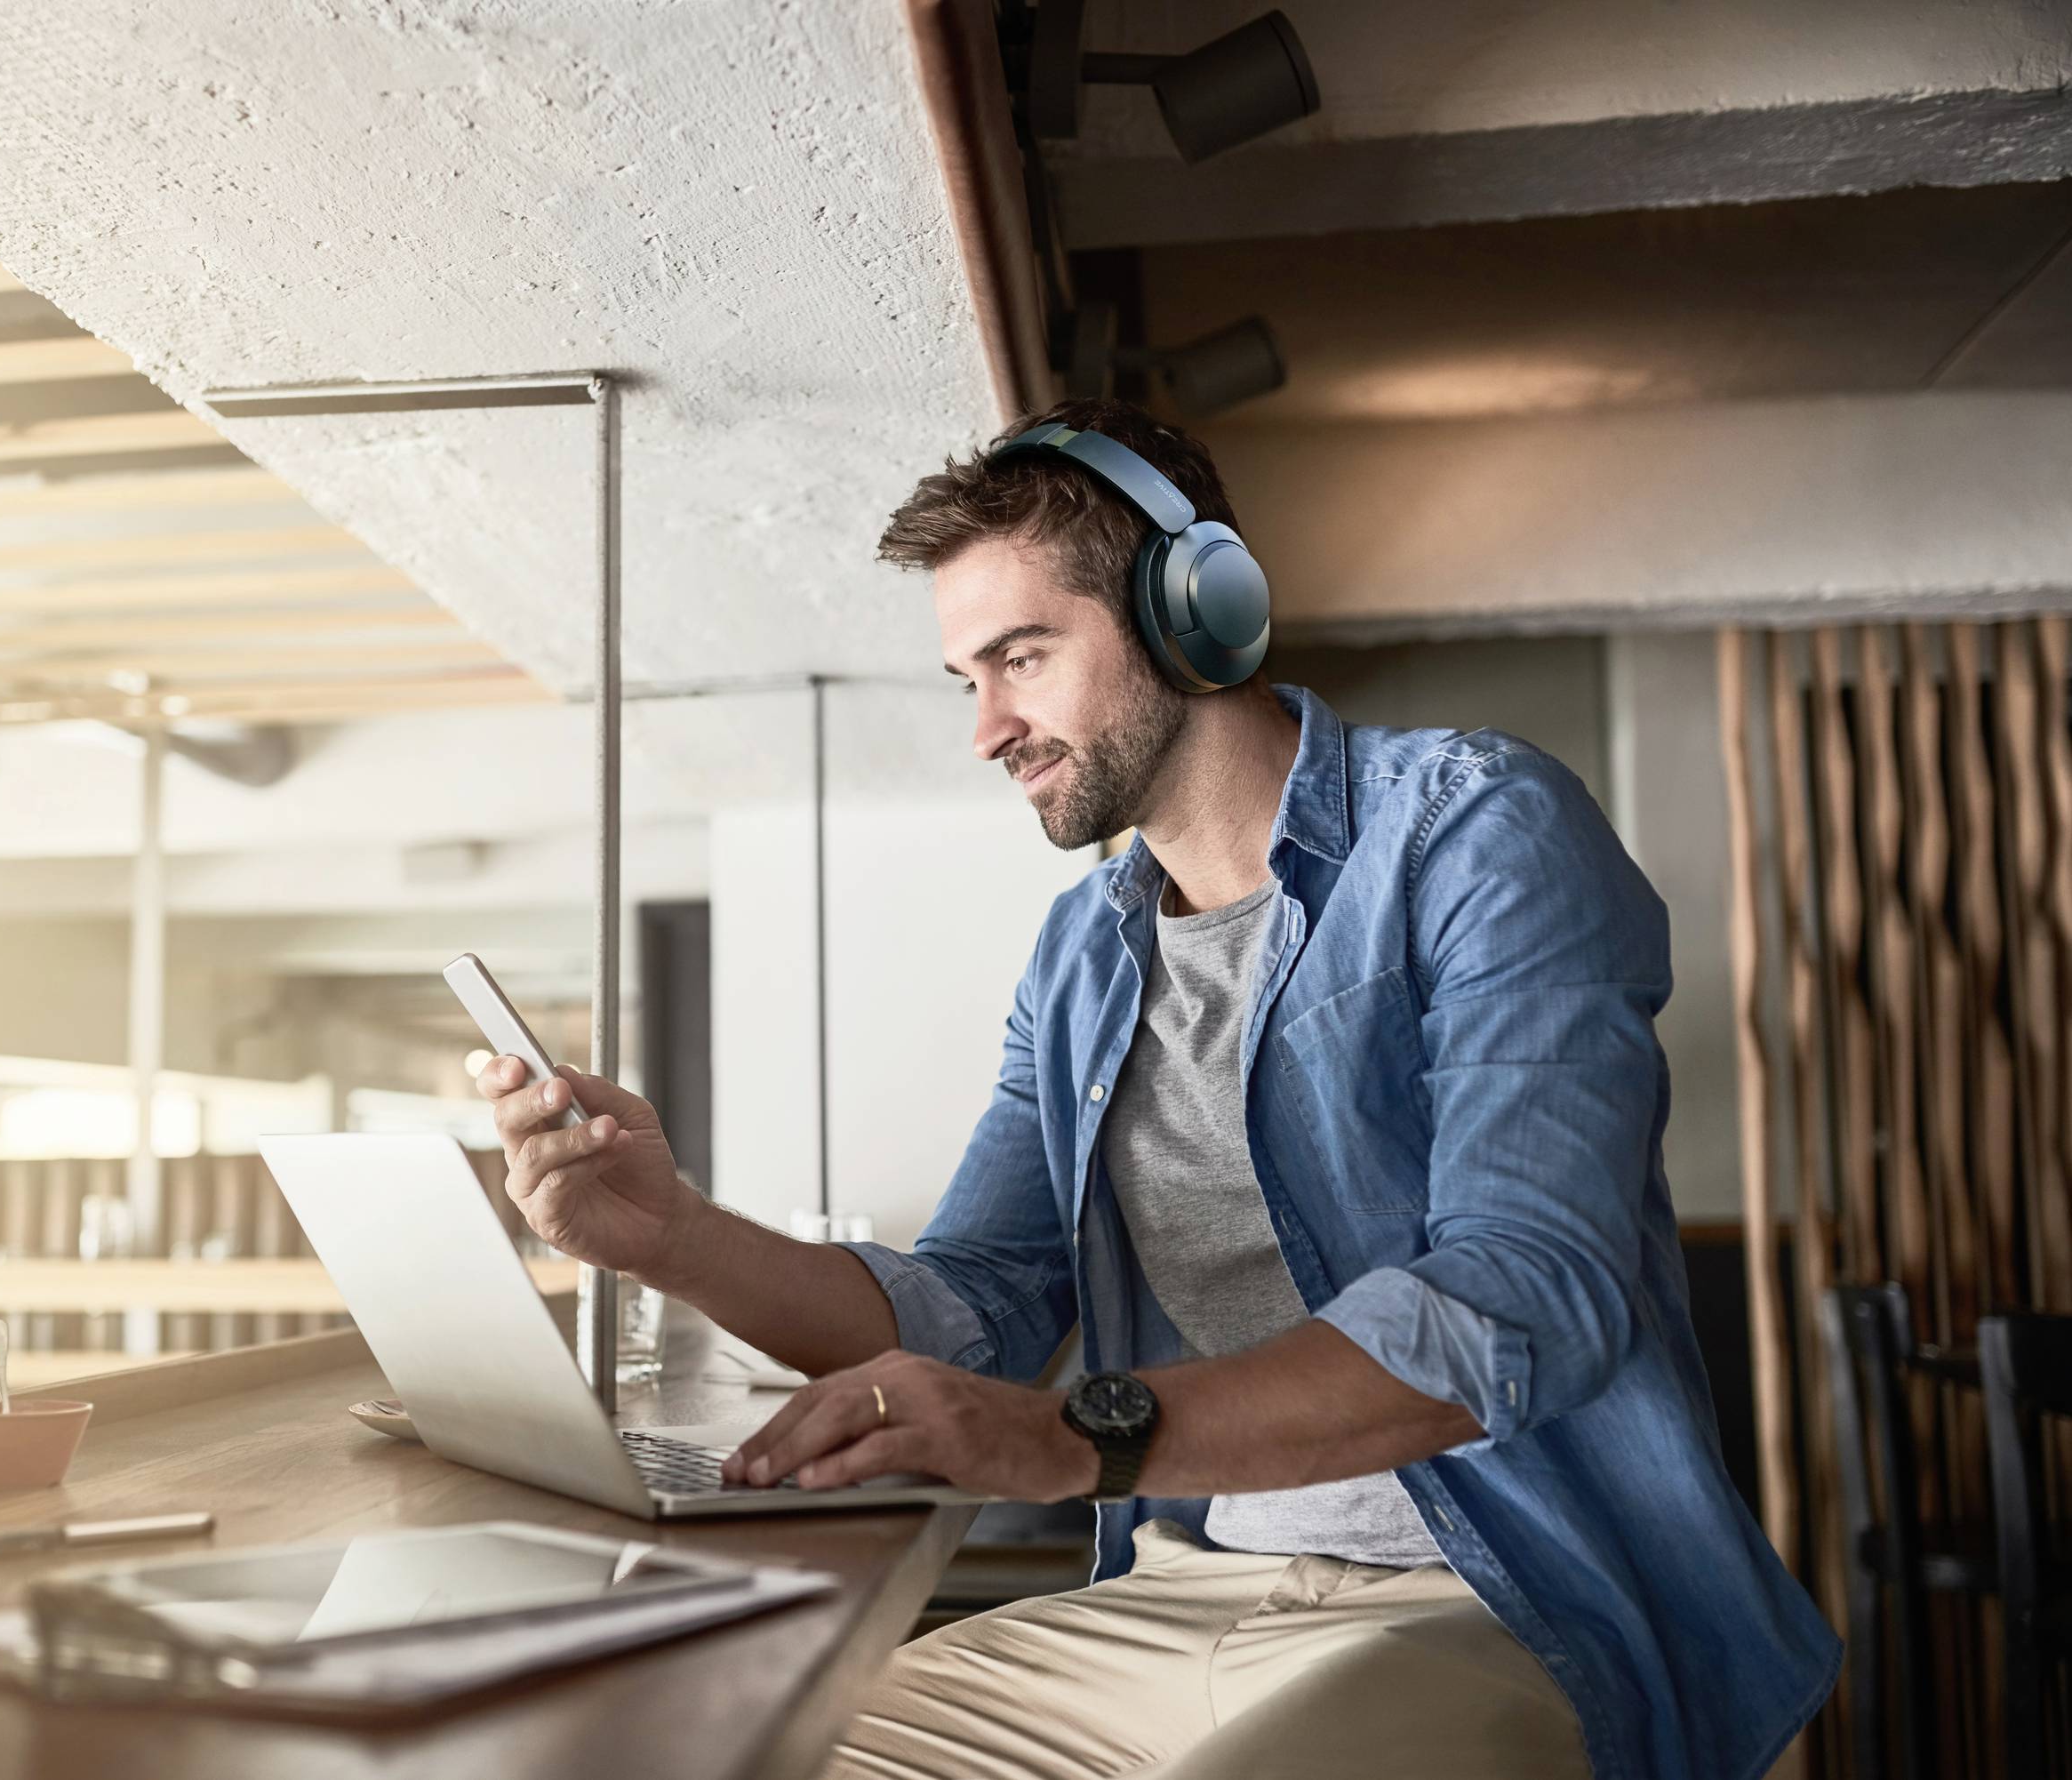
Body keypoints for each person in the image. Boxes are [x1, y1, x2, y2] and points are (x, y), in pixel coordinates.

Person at [479, 397, 1837, 1780]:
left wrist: (1075, 1434)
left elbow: (1524, 1288)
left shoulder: (1478, 830)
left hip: (1496, 1597)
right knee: (731, 1753)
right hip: (1182, 1587)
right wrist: (674, 1235)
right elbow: (979, 1311)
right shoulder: (1084, 953)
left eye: (1021, 656)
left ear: (1201, 610)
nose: (987, 727)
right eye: (969, 678)